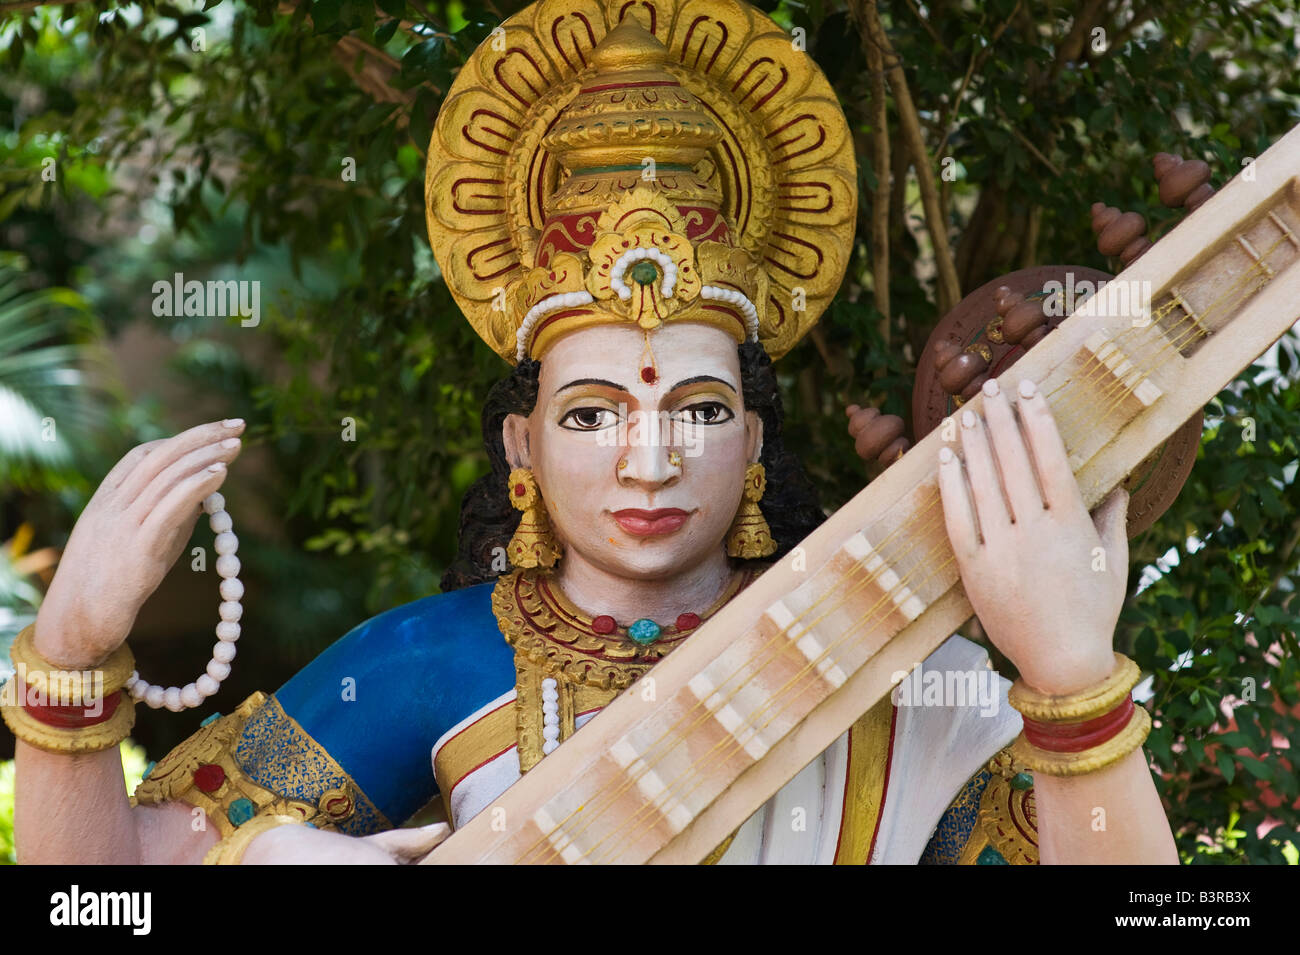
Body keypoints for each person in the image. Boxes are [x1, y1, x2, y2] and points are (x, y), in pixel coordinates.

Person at [4, 2, 1177, 865]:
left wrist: (1070, 674)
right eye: (591, 413)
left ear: (757, 442)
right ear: (521, 450)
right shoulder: (431, 664)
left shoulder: (886, 663)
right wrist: (71, 659)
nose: (650, 457)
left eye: (702, 410)